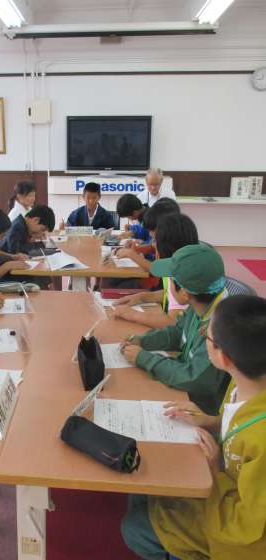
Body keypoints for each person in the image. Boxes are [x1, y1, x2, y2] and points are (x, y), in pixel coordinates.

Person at [121, 295, 266, 560]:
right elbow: (237, 421)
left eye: (207, 335)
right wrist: (211, 420)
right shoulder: (245, 381)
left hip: (239, 532)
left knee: (135, 529)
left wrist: (215, 470)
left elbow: (247, 524)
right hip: (224, 485)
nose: (201, 333)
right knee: (142, 483)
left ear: (223, 357)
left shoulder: (262, 440)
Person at [121, 243, 230, 415]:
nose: (168, 286)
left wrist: (145, 359)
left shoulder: (220, 330)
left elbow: (194, 379)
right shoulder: (199, 305)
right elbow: (178, 332)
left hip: (201, 408)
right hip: (185, 389)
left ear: (185, 293)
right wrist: (144, 341)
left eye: (171, 280)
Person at [113, 214, 199, 329]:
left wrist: (131, 314)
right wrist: (142, 297)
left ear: (167, 246)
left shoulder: (182, 275)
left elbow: (172, 323)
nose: (153, 245)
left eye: (155, 241)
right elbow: (170, 294)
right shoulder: (182, 263)